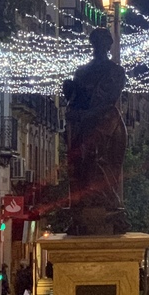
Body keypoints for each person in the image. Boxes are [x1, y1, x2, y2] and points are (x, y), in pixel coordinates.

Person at [62, 27, 128, 235]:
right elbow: (75, 101)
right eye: (96, 41)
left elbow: (109, 100)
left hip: (107, 123)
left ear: (108, 45)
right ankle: (82, 209)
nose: (100, 46)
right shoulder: (81, 72)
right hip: (84, 124)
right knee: (78, 162)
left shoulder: (115, 72)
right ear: (93, 44)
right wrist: (70, 96)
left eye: (104, 42)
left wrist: (87, 115)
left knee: (104, 162)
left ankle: (109, 207)